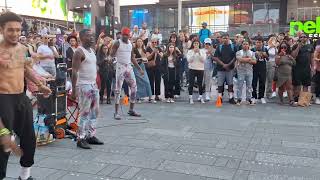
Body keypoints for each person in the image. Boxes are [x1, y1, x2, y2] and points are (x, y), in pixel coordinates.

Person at [0, 12, 52, 180]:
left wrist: (40, 85)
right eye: (10, 30)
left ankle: (25, 176)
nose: (15, 34)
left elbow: (24, 69)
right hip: (3, 99)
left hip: (21, 98)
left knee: (29, 139)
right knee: (4, 144)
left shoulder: (22, 49)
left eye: (18, 30)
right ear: (1, 29)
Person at [71, 29, 104, 149]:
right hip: (84, 85)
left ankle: (91, 135)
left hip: (93, 85)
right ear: (82, 37)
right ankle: (80, 138)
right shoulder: (79, 52)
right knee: (84, 112)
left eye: (92, 36)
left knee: (94, 112)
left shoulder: (91, 51)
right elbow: (74, 71)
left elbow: (92, 65)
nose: (91, 38)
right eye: (88, 36)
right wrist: (74, 90)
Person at [110, 27, 144, 120]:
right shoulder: (117, 43)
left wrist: (140, 69)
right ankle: (116, 113)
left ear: (129, 36)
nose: (125, 36)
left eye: (127, 35)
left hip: (129, 67)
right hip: (120, 67)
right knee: (117, 90)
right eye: (123, 35)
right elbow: (111, 54)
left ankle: (131, 109)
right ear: (121, 34)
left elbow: (132, 58)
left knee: (134, 88)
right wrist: (111, 60)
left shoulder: (130, 44)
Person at [213, 33, 237, 104]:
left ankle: (231, 97)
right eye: (224, 38)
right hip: (220, 68)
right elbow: (215, 57)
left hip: (230, 68)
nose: (225, 39)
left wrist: (228, 65)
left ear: (229, 38)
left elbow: (235, 57)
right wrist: (223, 64)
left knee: (230, 83)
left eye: (226, 38)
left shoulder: (233, 47)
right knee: (220, 83)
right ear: (221, 39)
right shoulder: (219, 47)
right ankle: (219, 97)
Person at [291, 33, 314, 102]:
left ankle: (303, 100)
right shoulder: (295, 46)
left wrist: (312, 67)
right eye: (301, 37)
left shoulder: (310, 46)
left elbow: (312, 58)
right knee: (297, 85)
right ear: (299, 38)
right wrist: (298, 47)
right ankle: (295, 99)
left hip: (306, 68)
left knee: (306, 84)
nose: (303, 38)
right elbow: (293, 56)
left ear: (307, 38)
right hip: (297, 68)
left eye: (304, 37)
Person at [132, 38, 153, 103]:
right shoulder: (134, 50)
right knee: (138, 82)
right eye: (138, 41)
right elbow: (133, 58)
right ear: (136, 42)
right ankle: (138, 97)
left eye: (141, 41)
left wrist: (152, 53)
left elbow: (147, 58)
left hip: (143, 66)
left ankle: (150, 97)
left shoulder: (144, 49)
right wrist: (139, 59)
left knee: (147, 81)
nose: (139, 42)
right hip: (136, 67)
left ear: (142, 43)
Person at [275, 41, 296, 106]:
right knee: (281, 88)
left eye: (285, 47)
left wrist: (291, 58)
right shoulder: (278, 55)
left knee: (289, 87)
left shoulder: (289, 55)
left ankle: (291, 101)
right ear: (280, 48)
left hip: (288, 74)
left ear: (287, 48)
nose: (283, 48)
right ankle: (281, 100)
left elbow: (294, 63)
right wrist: (280, 56)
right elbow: (277, 63)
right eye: (282, 47)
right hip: (281, 73)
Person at [236, 41, 256, 105]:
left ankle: (249, 98)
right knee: (240, 85)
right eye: (244, 44)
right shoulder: (239, 52)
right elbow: (240, 60)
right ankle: (239, 99)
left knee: (249, 86)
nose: (245, 45)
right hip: (241, 71)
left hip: (249, 71)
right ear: (242, 45)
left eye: (246, 44)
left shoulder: (252, 52)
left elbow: (255, 61)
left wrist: (245, 59)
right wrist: (249, 59)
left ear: (248, 45)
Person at [187, 40, 206, 104]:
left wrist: (199, 53)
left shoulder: (202, 51)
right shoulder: (190, 51)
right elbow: (189, 60)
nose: (196, 45)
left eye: (197, 43)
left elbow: (203, 60)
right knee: (191, 84)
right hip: (192, 69)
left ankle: (201, 97)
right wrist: (194, 53)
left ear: (199, 44)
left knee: (200, 84)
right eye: (195, 43)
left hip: (200, 69)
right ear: (193, 44)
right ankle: (190, 97)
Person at [251, 37, 269, 104]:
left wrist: (265, 55)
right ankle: (253, 96)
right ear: (255, 43)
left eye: (260, 42)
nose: (258, 44)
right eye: (257, 42)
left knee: (262, 82)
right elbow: (250, 58)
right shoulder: (252, 49)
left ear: (262, 43)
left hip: (262, 68)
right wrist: (255, 54)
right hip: (254, 68)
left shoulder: (265, 49)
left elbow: (268, 58)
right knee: (254, 83)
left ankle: (261, 96)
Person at [146, 37, 163, 101]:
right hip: (150, 67)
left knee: (158, 80)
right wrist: (153, 52)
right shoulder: (148, 48)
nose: (154, 43)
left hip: (158, 66)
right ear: (150, 42)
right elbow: (147, 57)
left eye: (155, 42)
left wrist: (158, 52)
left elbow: (162, 56)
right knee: (151, 81)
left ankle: (157, 95)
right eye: (153, 42)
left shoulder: (159, 48)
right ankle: (151, 95)